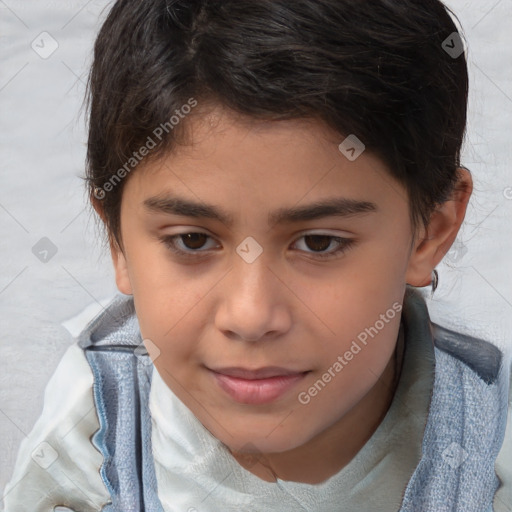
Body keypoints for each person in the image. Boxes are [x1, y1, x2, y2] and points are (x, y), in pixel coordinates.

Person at [3, 0, 511, 510]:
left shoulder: (494, 448)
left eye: (319, 243)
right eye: (193, 241)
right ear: (117, 240)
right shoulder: (92, 437)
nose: (250, 316)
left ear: (430, 232)